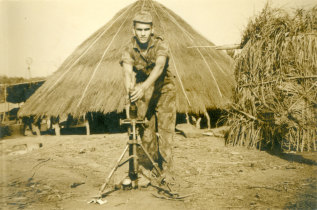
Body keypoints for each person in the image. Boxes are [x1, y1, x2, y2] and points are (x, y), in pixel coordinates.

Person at [120, 11, 176, 182]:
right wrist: (130, 88)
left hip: (164, 88)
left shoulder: (161, 44)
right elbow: (127, 72)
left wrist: (143, 86)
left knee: (165, 131)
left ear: (152, 29)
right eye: (139, 30)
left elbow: (159, 67)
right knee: (146, 130)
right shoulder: (128, 48)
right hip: (146, 91)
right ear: (133, 31)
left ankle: (167, 172)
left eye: (146, 29)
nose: (143, 33)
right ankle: (150, 167)